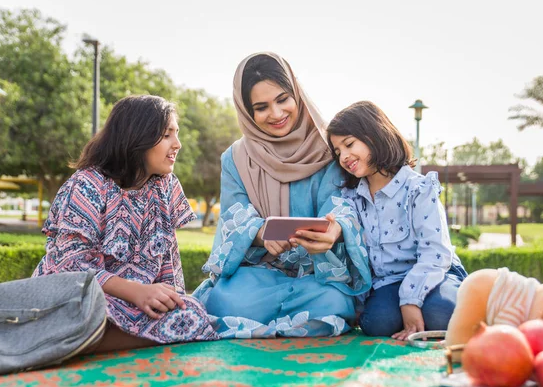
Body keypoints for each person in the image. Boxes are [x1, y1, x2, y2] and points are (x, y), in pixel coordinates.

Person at [192, 52, 371, 338]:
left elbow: (341, 205)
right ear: (247, 112)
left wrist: (334, 230)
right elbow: (234, 213)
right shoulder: (236, 158)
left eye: (283, 99)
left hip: (316, 275)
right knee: (224, 301)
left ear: (297, 95)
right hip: (258, 275)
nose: (276, 114)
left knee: (333, 302)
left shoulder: (328, 150)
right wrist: (262, 233)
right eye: (261, 107)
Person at [33, 95, 218, 352]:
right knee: (84, 314)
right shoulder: (87, 185)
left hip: (136, 306)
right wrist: (136, 292)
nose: (178, 144)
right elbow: (69, 264)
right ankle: (62, 338)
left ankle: (71, 343)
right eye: (167, 135)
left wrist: (173, 298)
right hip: (83, 297)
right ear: (136, 137)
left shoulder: (165, 186)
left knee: (191, 314)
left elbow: (168, 256)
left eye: (177, 134)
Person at [327, 100, 468, 340]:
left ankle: (473, 298)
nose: (344, 156)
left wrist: (411, 301)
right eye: (338, 151)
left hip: (435, 273)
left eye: (349, 144)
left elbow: (436, 252)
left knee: (443, 312)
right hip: (388, 283)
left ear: (374, 135)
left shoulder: (419, 189)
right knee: (377, 322)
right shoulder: (350, 199)